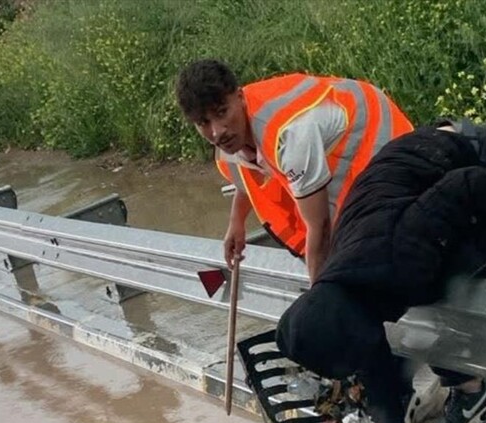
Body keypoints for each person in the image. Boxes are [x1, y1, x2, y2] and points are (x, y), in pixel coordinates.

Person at [274, 119, 486, 423]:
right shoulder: (342, 293)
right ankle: (475, 394)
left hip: (478, 160)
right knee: (433, 295)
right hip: (421, 181)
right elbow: (372, 357)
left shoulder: (398, 253)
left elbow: (470, 184)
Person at [175, 59, 413, 283]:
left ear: (240, 97)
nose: (217, 132)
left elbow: (320, 227)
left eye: (221, 113)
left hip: (380, 137)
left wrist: (318, 297)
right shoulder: (231, 136)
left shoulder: (291, 135)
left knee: (367, 240)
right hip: (325, 146)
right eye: (203, 123)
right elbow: (245, 175)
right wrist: (237, 223)